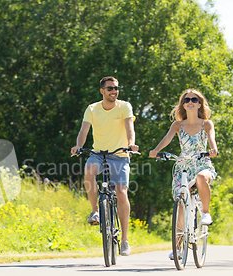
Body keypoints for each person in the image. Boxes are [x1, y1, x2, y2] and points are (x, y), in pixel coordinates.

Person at [71, 76, 138, 256]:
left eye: (116, 88)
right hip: (98, 153)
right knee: (88, 171)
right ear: (102, 91)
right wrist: (78, 146)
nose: (114, 91)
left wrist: (131, 144)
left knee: (121, 193)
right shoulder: (92, 109)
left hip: (120, 155)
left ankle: (124, 240)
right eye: (110, 89)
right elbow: (83, 131)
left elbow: (129, 128)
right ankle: (95, 211)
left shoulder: (124, 107)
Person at [149, 89, 218, 260]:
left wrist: (213, 149)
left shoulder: (206, 124)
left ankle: (205, 213)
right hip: (183, 166)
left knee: (202, 178)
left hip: (202, 163)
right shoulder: (177, 125)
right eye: (186, 99)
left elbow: (211, 139)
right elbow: (167, 138)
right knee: (181, 203)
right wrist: (156, 150)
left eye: (194, 99)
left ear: (199, 103)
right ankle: (178, 247)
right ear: (183, 104)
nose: (190, 101)